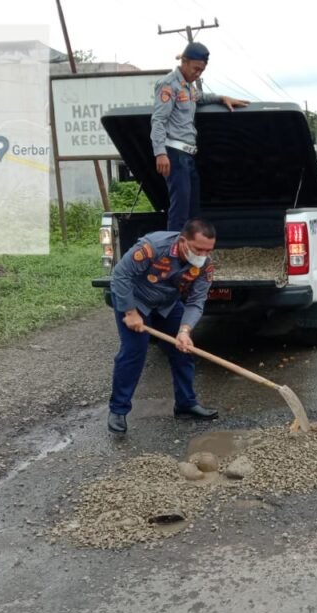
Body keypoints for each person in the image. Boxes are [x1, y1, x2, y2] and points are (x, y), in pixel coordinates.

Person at [107, 218, 220, 434]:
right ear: (183, 241)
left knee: (184, 350)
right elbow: (121, 275)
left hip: (166, 304)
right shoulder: (153, 247)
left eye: (208, 250)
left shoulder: (205, 265)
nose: (203, 255)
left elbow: (196, 301)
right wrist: (130, 312)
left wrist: (184, 331)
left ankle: (185, 404)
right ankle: (118, 410)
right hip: (135, 300)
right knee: (133, 352)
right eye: (198, 249)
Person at [152, 42, 249, 231]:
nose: (198, 74)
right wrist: (160, 153)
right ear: (184, 62)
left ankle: (190, 248)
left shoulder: (187, 88)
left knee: (193, 211)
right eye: (195, 68)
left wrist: (222, 98)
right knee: (180, 211)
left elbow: (201, 97)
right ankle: (172, 249)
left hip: (188, 156)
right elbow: (158, 120)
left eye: (202, 71)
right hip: (174, 154)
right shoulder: (168, 84)